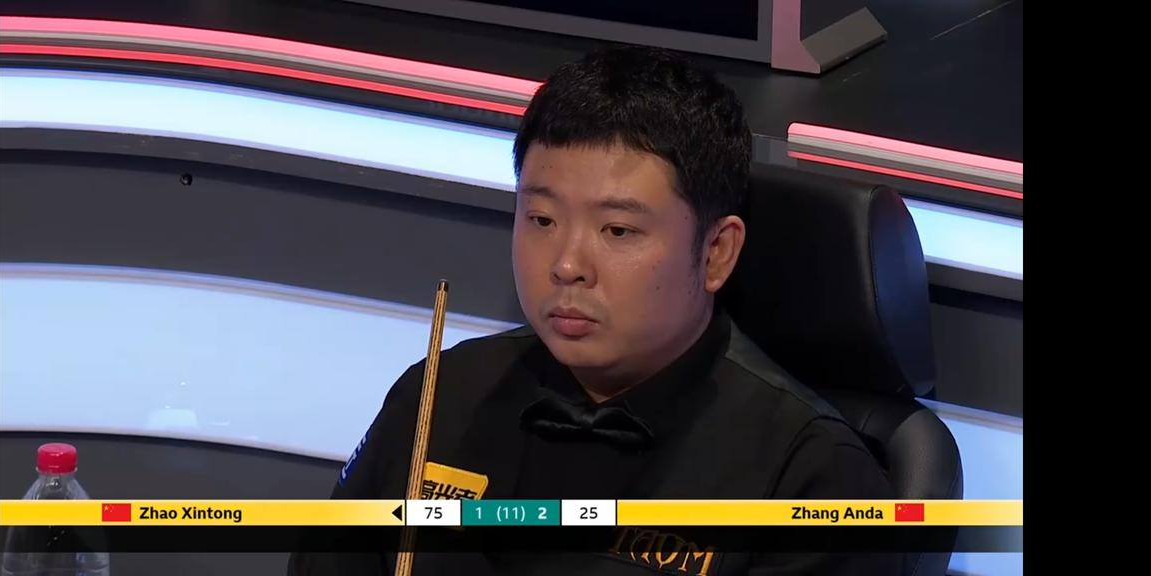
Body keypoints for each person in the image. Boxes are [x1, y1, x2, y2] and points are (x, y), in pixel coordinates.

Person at [290, 45, 900, 575]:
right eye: (542, 220)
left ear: (716, 252)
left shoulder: (813, 480)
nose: (566, 264)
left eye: (617, 230)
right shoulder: (440, 396)